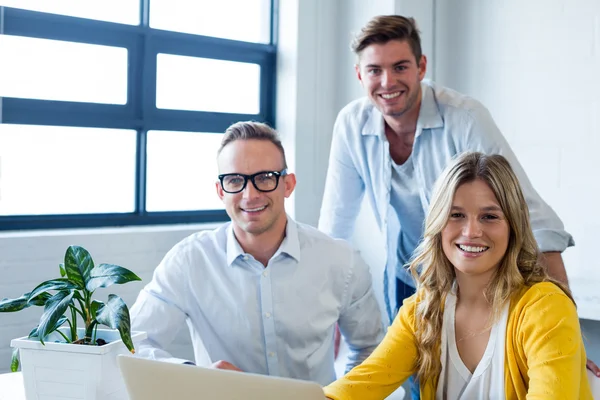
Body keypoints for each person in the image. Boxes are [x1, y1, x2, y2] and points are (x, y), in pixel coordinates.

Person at [317, 15, 600, 388]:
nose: (387, 82)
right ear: (359, 75)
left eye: (400, 66)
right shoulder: (350, 125)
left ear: (421, 66)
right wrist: (328, 314)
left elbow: (529, 213)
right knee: (419, 382)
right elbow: (334, 228)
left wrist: (567, 332)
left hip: (487, 272)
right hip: (416, 272)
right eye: (375, 70)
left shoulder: (464, 117)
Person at [129, 121, 384, 386]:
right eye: (235, 180)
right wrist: (196, 376)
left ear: (288, 184)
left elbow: (371, 350)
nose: (249, 195)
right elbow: (132, 342)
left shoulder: (341, 260)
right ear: (220, 191)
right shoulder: (189, 261)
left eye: (264, 178)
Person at [323, 152, 593, 400]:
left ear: (513, 227)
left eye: (489, 216)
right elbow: (357, 387)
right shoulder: (422, 312)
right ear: (438, 224)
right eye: (456, 215)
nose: (471, 231)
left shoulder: (546, 309)